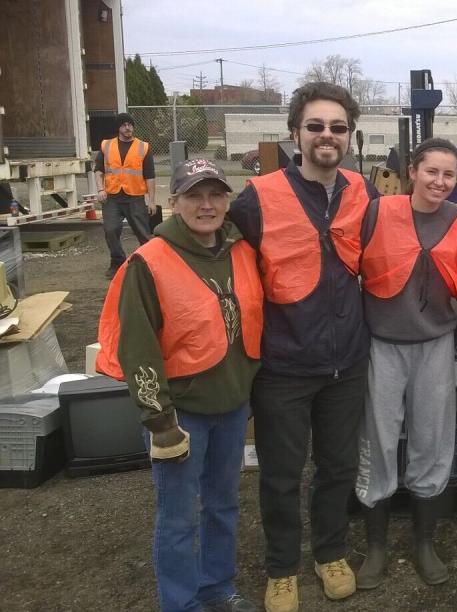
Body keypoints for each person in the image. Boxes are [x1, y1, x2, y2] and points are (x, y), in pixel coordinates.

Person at [227, 82, 381, 612]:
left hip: (347, 363)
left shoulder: (364, 193)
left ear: (350, 137)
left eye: (338, 128)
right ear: (296, 132)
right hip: (285, 365)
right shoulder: (259, 196)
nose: (326, 136)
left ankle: (331, 552)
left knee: (337, 467)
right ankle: (282, 567)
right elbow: (220, 256)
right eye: (315, 126)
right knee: (281, 473)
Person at [96, 159, 262, 612]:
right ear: (174, 203)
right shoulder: (149, 262)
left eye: (215, 195)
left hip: (230, 406)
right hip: (180, 414)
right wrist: (159, 421)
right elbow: (138, 349)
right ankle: (181, 602)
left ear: (228, 201)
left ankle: (216, 588)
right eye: (194, 196)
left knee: (223, 506)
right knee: (178, 517)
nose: (206, 205)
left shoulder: (240, 250)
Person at [354, 138, 457, 588]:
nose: (440, 182)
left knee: (433, 437)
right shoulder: (378, 211)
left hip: (436, 344)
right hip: (383, 344)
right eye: (432, 172)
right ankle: (375, 545)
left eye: (449, 175)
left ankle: (424, 540)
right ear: (412, 170)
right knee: (380, 437)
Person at [95, 112, 156, 279]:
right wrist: (101, 189)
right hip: (112, 197)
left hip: (134, 196)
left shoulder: (143, 147)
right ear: (119, 127)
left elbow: (150, 175)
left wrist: (151, 201)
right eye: (124, 124)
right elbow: (99, 170)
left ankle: (149, 263)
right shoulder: (107, 146)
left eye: (130, 124)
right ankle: (117, 261)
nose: (128, 127)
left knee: (143, 233)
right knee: (111, 230)